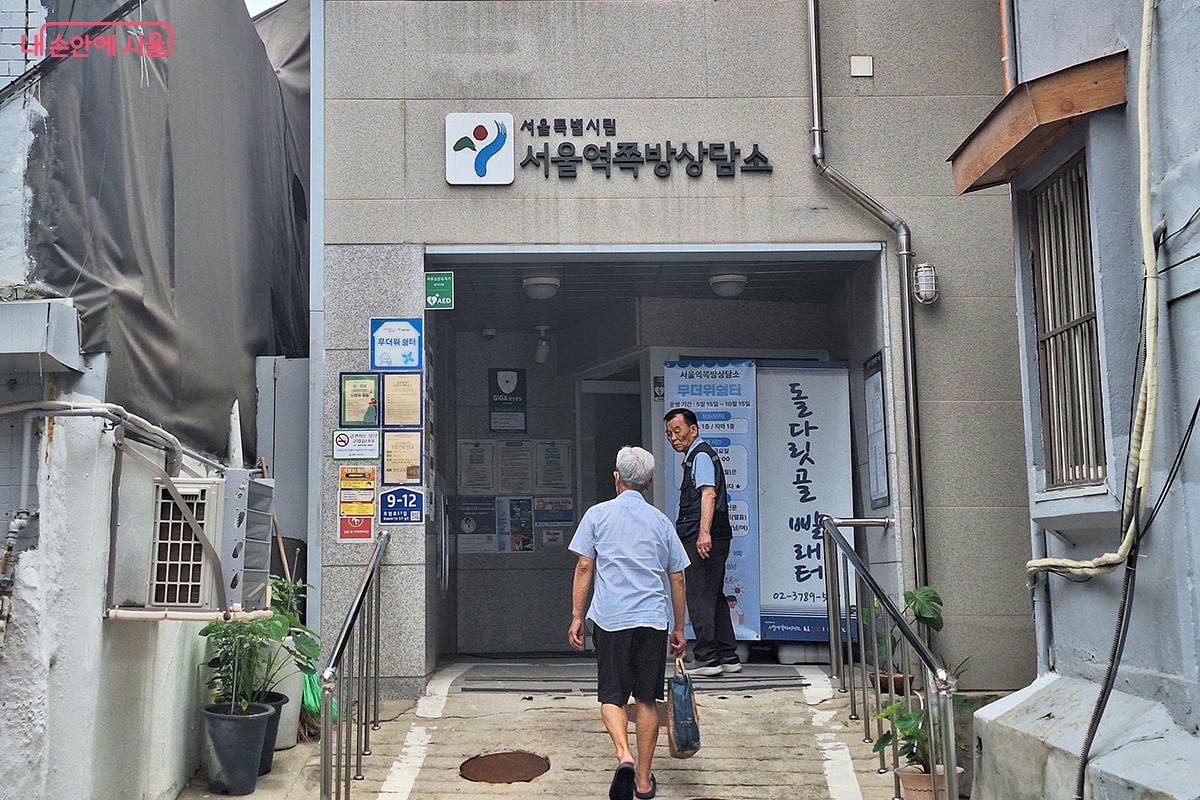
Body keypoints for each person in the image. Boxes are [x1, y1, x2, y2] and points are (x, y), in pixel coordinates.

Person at [568, 446, 689, 800]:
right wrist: (679, 628)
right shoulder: (661, 522)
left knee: (612, 696)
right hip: (651, 620)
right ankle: (644, 781)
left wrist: (576, 616)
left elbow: (584, 566)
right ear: (649, 483)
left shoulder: (597, 515)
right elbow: (677, 577)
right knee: (647, 699)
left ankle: (624, 754)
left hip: (611, 619)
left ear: (616, 478)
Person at [664, 407, 741, 677]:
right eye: (669, 433)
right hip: (716, 535)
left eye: (677, 431)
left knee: (698, 595)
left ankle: (708, 658)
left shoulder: (700, 456)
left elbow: (708, 494)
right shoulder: (698, 456)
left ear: (693, 430)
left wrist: (703, 533)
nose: (673, 438)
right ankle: (728, 655)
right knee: (713, 595)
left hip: (705, 535)